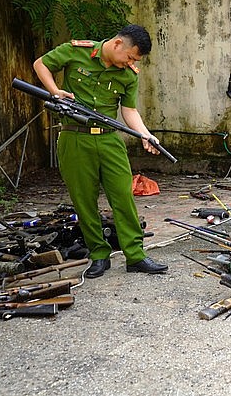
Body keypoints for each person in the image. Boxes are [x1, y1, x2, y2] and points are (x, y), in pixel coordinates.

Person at [33, 24, 168, 278]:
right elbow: (41, 64)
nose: (129, 63)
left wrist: (145, 134)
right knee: (84, 201)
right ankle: (98, 255)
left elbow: (129, 111)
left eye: (134, 60)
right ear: (118, 44)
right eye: (129, 57)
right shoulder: (75, 52)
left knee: (123, 197)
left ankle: (135, 256)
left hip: (109, 140)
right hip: (75, 139)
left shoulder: (129, 74)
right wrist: (55, 92)